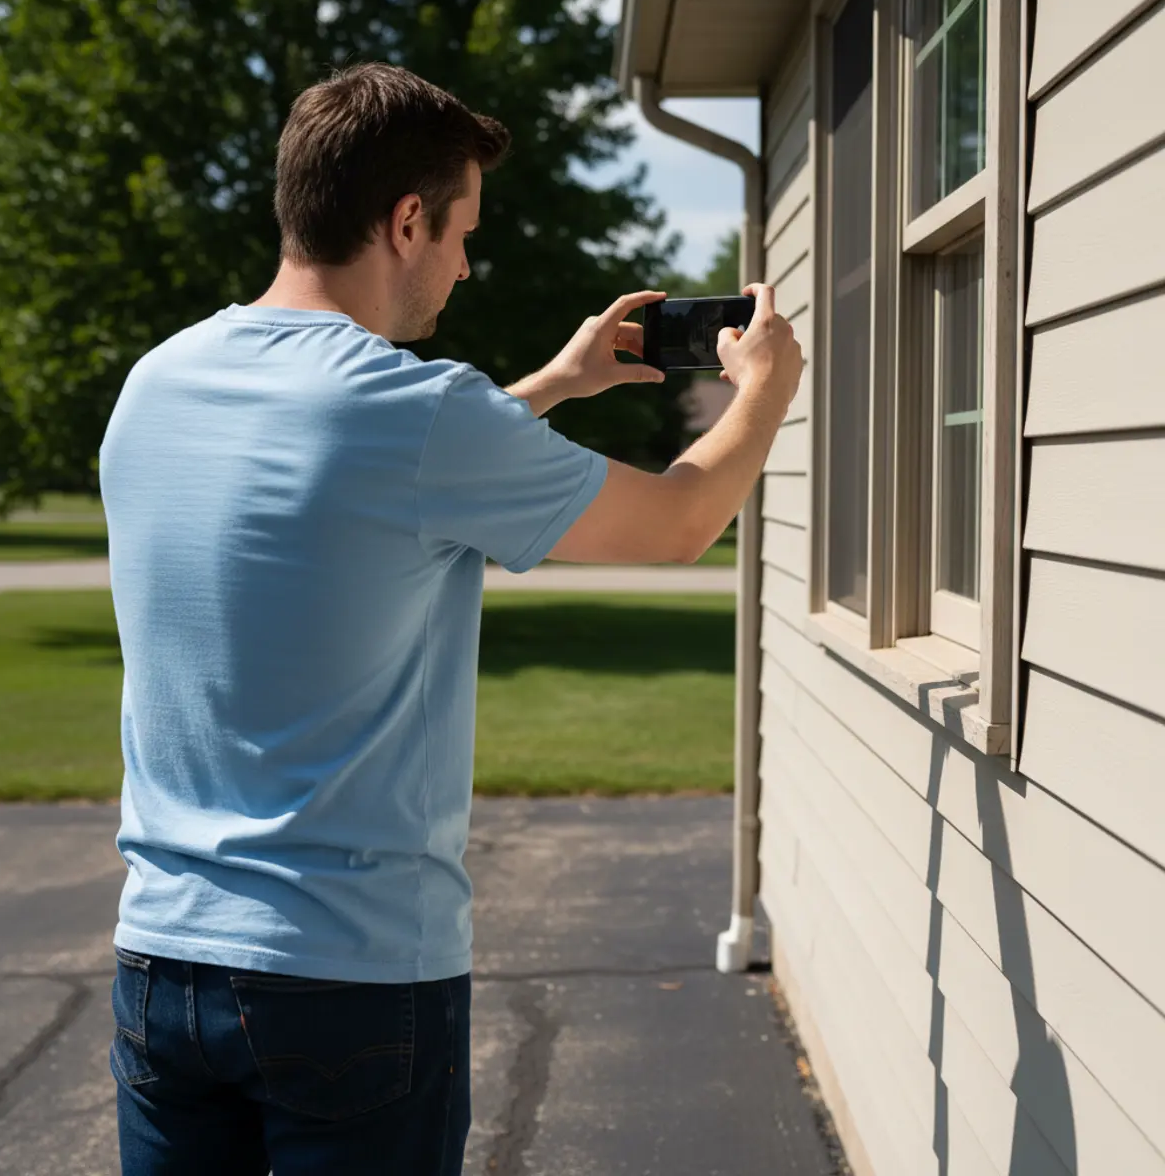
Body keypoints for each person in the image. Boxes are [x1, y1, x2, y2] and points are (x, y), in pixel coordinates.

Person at [99, 62, 803, 1176]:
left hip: (160, 970)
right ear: (407, 219)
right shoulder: (418, 414)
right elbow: (678, 523)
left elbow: (356, 485)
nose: (469, 265)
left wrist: (557, 384)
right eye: (463, 232)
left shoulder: (158, 384)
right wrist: (762, 389)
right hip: (352, 984)